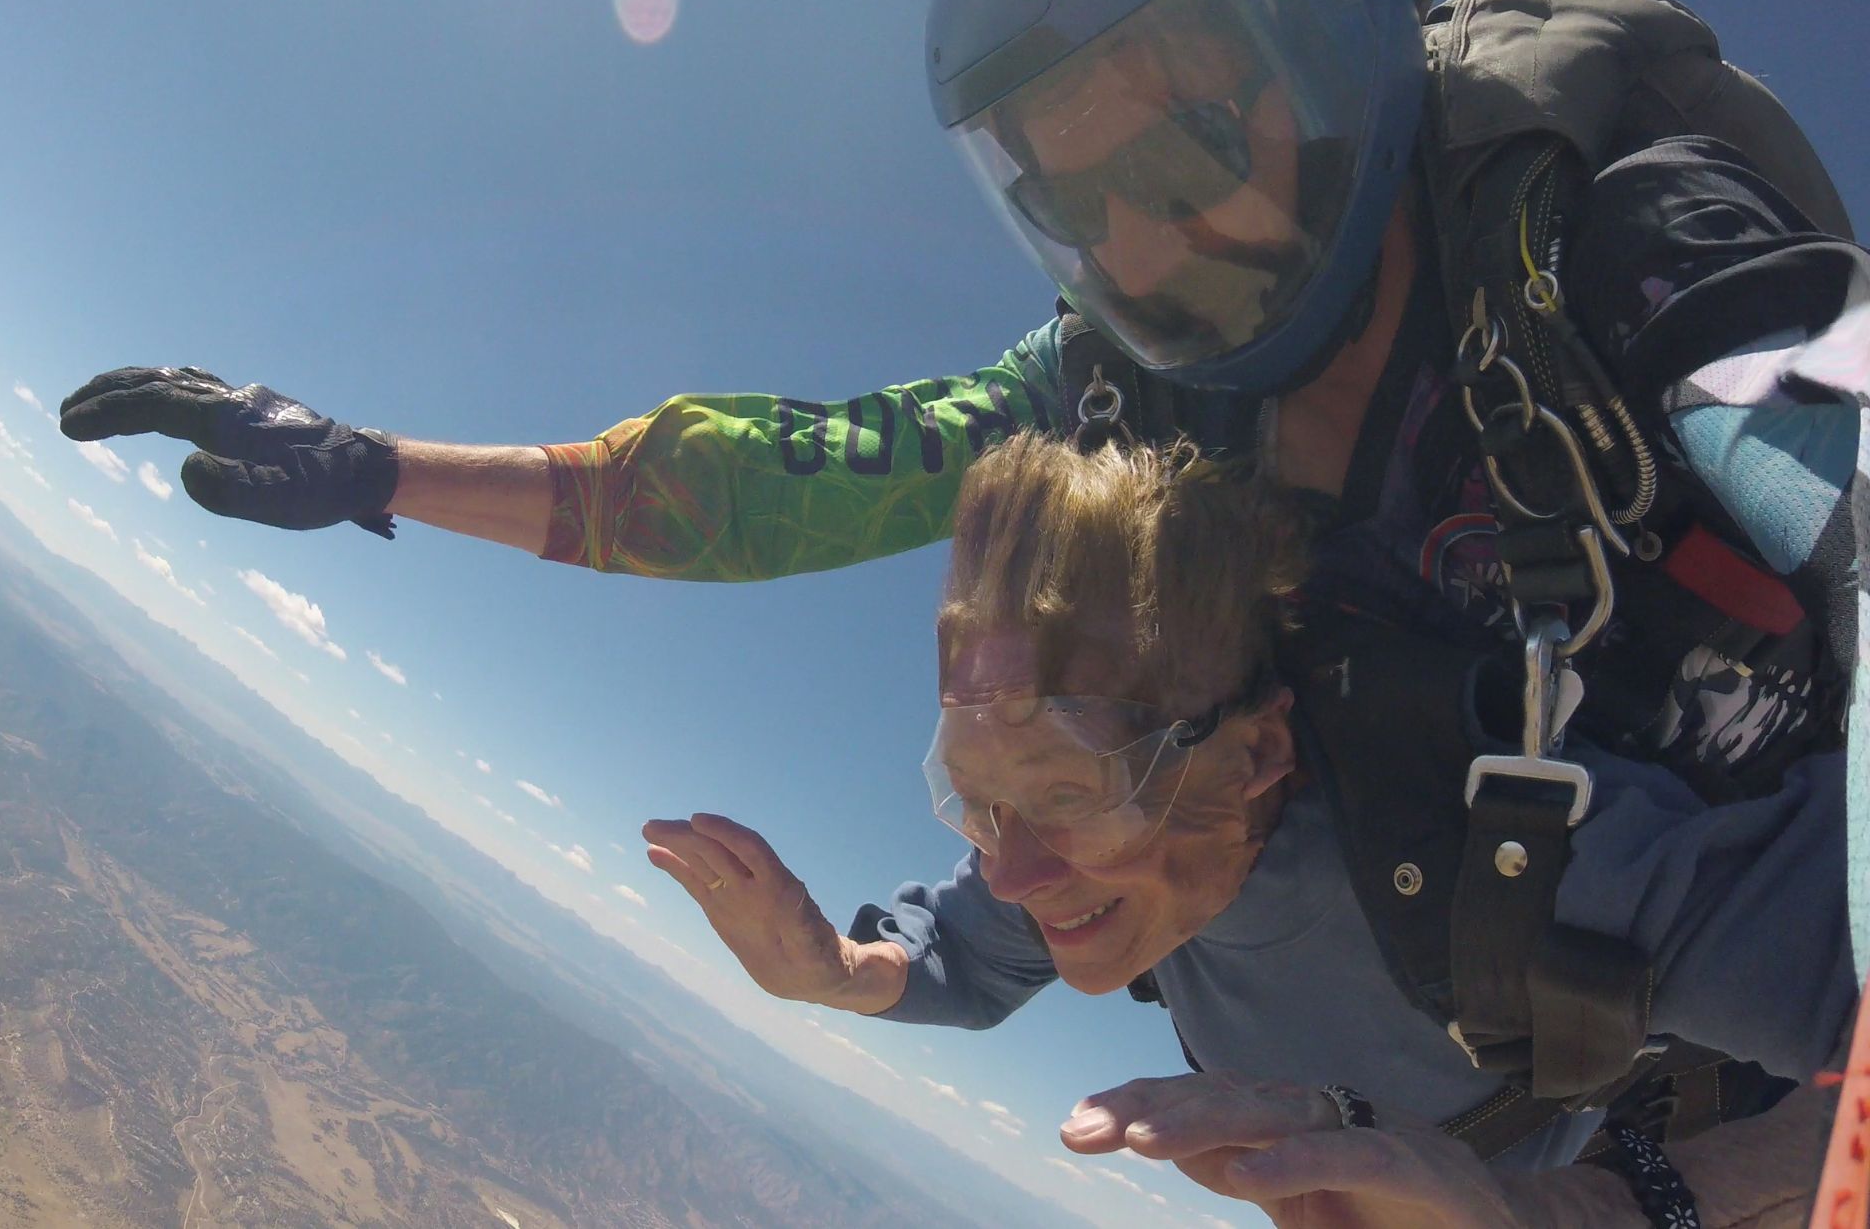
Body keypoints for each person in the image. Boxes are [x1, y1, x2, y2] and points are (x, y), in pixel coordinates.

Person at [60, 0, 1869, 1214]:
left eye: (1179, 141)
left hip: (1708, 1094)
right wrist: (379, 469)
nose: (1143, 253)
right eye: (1071, 201)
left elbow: (1828, 440)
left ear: (1324, 22)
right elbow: (785, 477)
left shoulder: (1613, 249)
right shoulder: (1127, 396)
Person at [641, 432, 1854, 1228]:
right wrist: (838, 974)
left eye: (1067, 792)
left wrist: (1590, 1213)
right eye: (974, 797)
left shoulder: (1502, 855)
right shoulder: (1101, 865)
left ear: (1255, 757)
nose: (1007, 865)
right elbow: (963, 949)